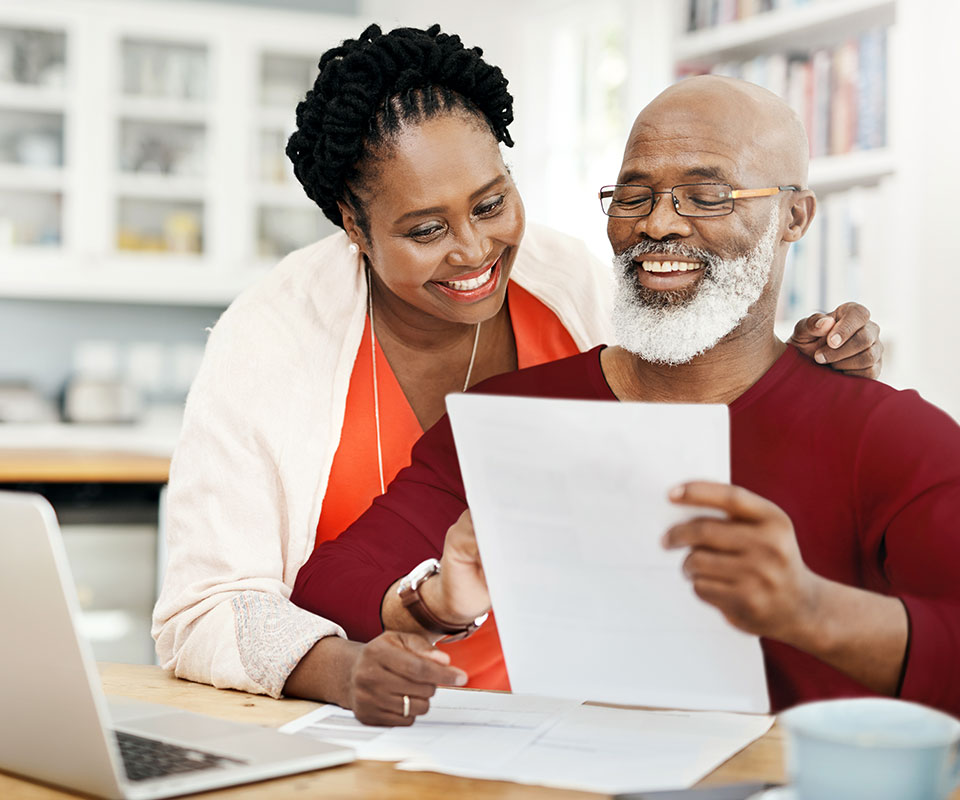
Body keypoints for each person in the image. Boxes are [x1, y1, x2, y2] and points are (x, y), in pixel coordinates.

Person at [153, 24, 882, 726]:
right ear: (352, 223)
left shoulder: (569, 287)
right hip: (372, 723)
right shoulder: (273, 339)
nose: (474, 251)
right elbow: (204, 609)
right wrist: (342, 670)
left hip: (566, 717)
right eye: (425, 230)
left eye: (492, 203)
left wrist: (809, 369)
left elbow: (690, 413)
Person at [291, 75, 960, 721]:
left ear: (794, 215)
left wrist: (808, 608)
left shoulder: (890, 433)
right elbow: (333, 579)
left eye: (707, 195)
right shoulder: (515, 417)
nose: (660, 224)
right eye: (634, 196)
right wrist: (437, 603)